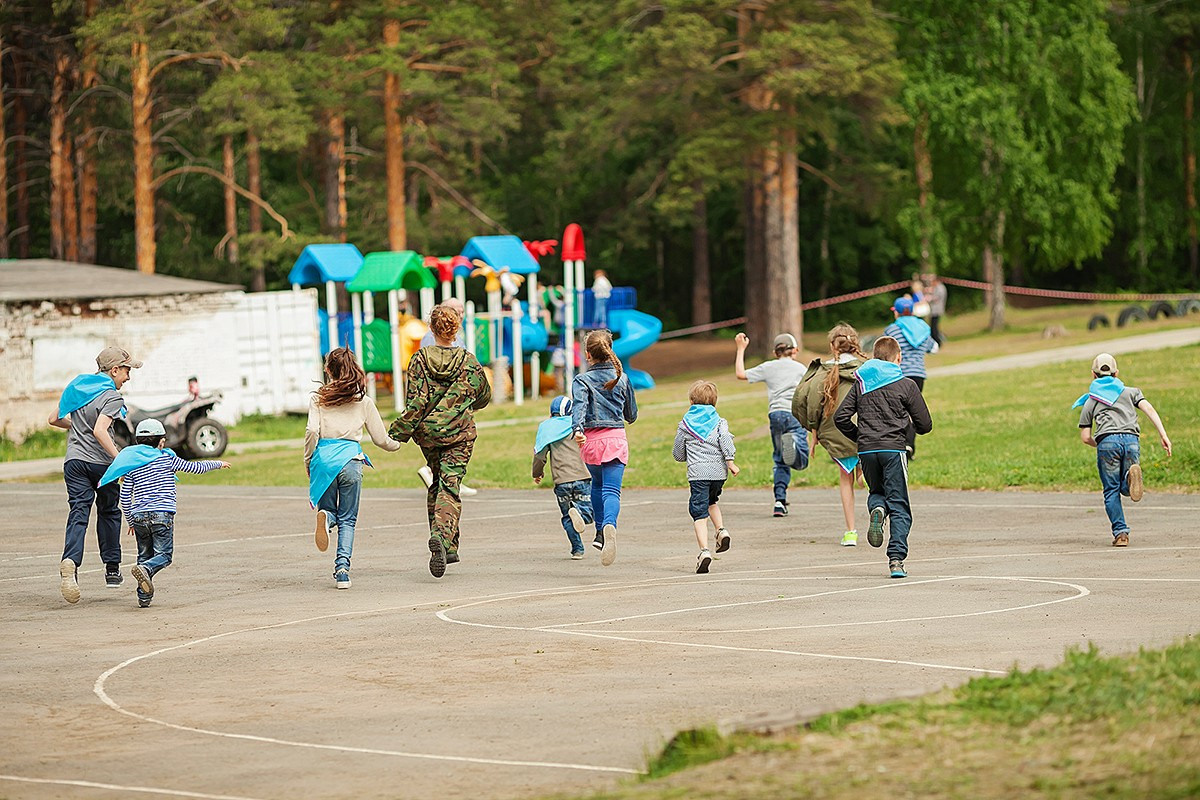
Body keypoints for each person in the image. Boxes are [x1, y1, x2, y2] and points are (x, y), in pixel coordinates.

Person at [390, 303, 492, 578]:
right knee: (450, 485)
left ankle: (448, 548)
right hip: (460, 433)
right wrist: (462, 405)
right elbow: (484, 396)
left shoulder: (419, 360)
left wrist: (397, 432)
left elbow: (416, 402)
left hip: (429, 435)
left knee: (437, 482)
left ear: (431, 328)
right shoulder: (469, 361)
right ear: (456, 329)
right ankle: (441, 536)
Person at [98, 419, 230, 606]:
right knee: (164, 556)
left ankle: (144, 597)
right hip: (162, 515)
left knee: (144, 555)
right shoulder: (168, 458)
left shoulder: (131, 464)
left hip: (139, 517)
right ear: (161, 442)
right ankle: (145, 570)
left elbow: (125, 496)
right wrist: (217, 464)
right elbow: (195, 468)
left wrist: (130, 520)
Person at [47, 346, 142, 604]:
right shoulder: (111, 396)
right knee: (109, 511)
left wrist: (77, 427)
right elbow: (101, 431)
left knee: (79, 512)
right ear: (114, 370)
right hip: (101, 464)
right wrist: (120, 460)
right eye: (127, 371)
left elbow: (53, 419)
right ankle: (112, 569)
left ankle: (70, 562)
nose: (128, 377)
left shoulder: (78, 387)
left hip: (74, 461)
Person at [833, 336, 933, 579]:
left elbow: (840, 417)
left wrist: (860, 436)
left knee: (876, 491)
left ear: (875, 356)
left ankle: (877, 508)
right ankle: (896, 559)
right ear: (898, 358)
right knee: (899, 505)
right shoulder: (906, 384)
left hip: (867, 450)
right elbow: (925, 425)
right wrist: (908, 427)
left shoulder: (861, 383)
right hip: (893, 450)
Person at [304, 347, 402, 589]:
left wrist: (309, 460)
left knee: (329, 509)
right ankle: (342, 571)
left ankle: (327, 517)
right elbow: (381, 439)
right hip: (350, 460)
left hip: (324, 461)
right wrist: (397, 444)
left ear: (328, 370)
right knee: (348, 519)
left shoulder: (318, 399)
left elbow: (312, 431)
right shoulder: (363, 401)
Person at [1074, 353, 1172, 547]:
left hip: (1107, 442)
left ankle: (1121, 534)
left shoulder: (1091, 400)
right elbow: (1149, 409)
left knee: (1111, 490)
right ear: (1116, 373)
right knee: (1125, 485)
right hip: (1131, 440)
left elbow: (1085, 437)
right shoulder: (1131, 392)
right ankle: (1129, 478)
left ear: (1093, 374)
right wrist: (1163, 435)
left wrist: (1101, 444)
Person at [792, 323, 868, 546]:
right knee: (869, 467)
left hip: (835, 431)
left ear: (833, 346)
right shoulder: (867, 368)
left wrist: (813, 431)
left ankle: (851, 532)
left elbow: (807, 402)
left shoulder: (822, 371)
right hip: (866, 429)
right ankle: (869, 485)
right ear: (855, 344)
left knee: (845, 479)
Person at [571, 329, 637, 566]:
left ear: (587, 354)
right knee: (611, 491)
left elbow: (578, 407)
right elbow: (631, 415)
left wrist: (578, 429)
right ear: (610, 351)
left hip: (591, 443)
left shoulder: (581, 380)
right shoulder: (623, 378)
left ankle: (599, 532)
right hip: (615, 440)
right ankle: (609, 525)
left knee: (596, 485)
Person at [734, 331, 809, 517]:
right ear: (795, 350)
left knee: (780, 459)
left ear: (775, 352)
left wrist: (741, 348)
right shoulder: (801, 369)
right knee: (801, 461)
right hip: (794, 413)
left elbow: (740, 374)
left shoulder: (768, 367)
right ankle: (794, 445)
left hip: (775, 414)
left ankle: (779, 502)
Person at [672, 380, 739, 574]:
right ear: (714, 402)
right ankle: (721, 530)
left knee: (699, 513)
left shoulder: (685, 425)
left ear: (691, 401)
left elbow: (678, 454)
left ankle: (704, 551)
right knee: (712, 502)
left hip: (698, 474)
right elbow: (725, 440)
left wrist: (688, 453)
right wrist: (730, 462)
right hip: (718, 473)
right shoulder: (720, 422)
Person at [417, 296, 476, 497]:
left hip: (456, 401)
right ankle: (439, 476)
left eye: (462, 311)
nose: (460, 315)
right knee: (450, 443)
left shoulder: (458, 338)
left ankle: (451, 480)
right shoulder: (431, 339)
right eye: (456, 311)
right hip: (443, 403)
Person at [532, 396, 594, 559]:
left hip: (561, 482)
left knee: (567, 517)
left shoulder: (547, 429)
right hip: (582, 477)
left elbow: (540, 456)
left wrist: (537, 473)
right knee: (589, 510)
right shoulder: (578, 425)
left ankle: (577, 549)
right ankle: (580, 513)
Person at [884, 296, 938, 460]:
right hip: (918, 375)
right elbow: (934, 348)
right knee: (911, 410)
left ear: (897, 313)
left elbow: (884, 350)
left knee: (897, 411)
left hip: (897, 375)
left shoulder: (892, 330)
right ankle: (909, 445)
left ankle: (899, 445)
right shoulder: (923, 328)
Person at [926, 273, 947, 345]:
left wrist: (930, 298)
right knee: (933, 327)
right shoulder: (936, 287)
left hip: (937, 310)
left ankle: (938, 341)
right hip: (934, 310)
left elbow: (937, 298)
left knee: (934, 328)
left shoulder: (940, 288)